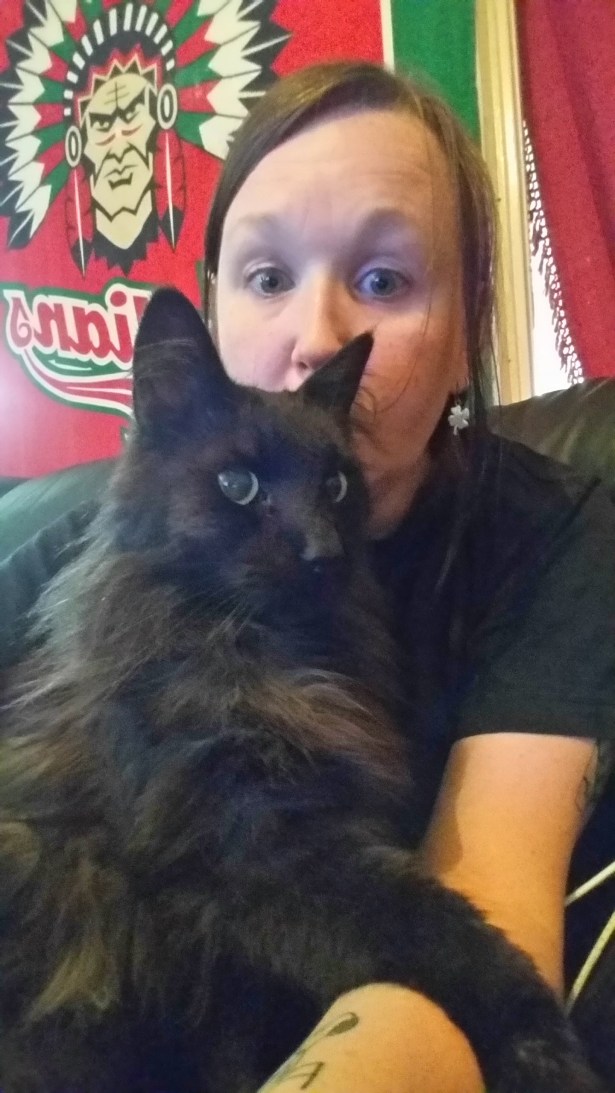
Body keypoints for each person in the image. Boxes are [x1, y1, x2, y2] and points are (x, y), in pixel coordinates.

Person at [1, 61, 615, 1091]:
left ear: (466, 336)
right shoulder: (80, 538)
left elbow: (478, 916)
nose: (318, 337)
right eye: (266, 276)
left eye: (383, 282)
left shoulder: (551, 538)